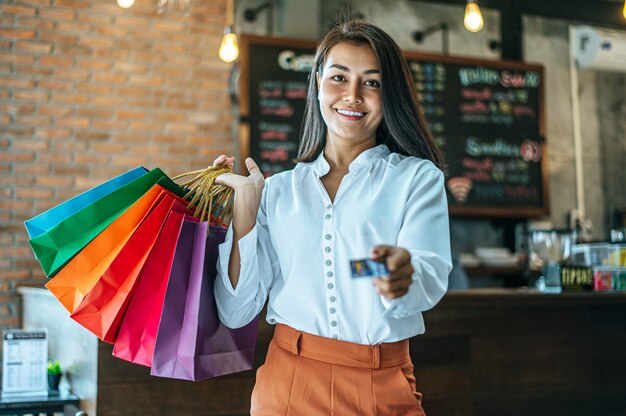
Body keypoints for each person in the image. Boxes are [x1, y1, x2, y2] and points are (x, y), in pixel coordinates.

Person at [213, 18, 452, 416]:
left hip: (380, 382)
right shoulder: (278, 190)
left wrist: (402, 274)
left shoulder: (416, 178)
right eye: (339, 77)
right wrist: (246, 216)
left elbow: (428, 274)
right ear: (319, 83)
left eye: (371, 82)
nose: (353, 95)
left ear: (388, 93)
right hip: (287, 382)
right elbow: (236, 310)